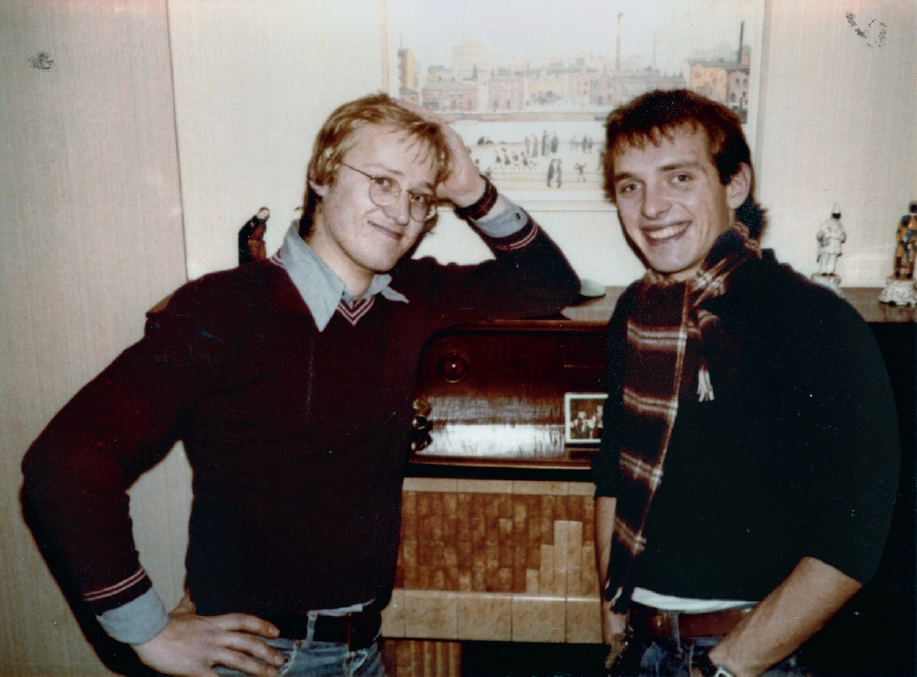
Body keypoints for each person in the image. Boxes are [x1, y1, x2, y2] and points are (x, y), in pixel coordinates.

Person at [22, 93, 580, 677]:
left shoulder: (412, 295)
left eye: (418, 197)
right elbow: (65, 462)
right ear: (322, 175)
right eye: (383, 182)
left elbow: (550, 287)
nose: (402, 211)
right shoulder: (225, 308)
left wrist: (471, 189)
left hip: (364, 651)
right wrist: (146, 631)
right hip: (262, 658)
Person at [592, 89, 899, 677]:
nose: (652, 208)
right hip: (639, 649)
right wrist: (614, 622)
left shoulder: (815, 320)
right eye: (630, 186)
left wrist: (727, 666)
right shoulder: (635, 313)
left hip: (758, 659)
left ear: (735, 184)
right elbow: (613, 473)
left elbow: (856, 538)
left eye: (678, 177)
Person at [814, 206, 845, 277]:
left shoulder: (840, 224)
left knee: (833, 258)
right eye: (835, 214)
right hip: (827, 244)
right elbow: (820, 233)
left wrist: (839, 236)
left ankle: (830, 271)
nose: (836, 216)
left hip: (836, 245)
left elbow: (843, 236)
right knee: (825, 257)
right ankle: (823, 271)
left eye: (837, 215)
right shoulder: (826, 222)